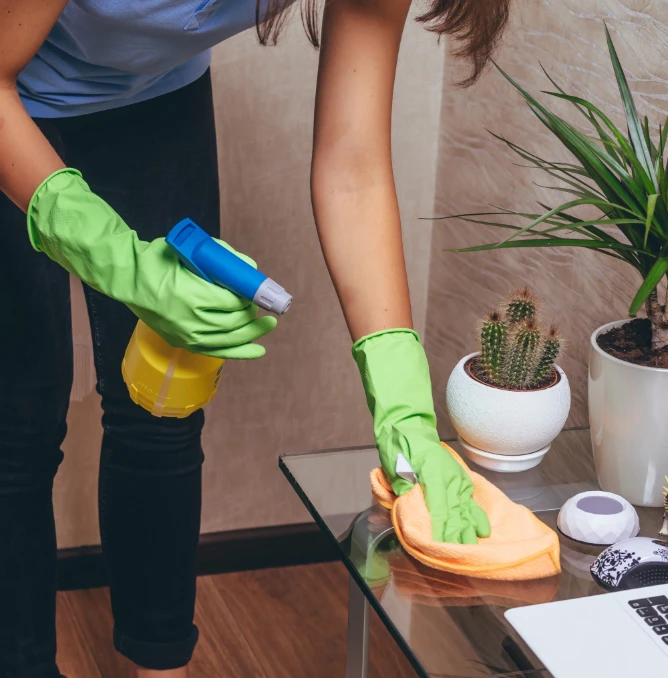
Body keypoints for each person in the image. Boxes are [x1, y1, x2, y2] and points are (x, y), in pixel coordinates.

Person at [0, 0, 509, 676]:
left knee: (164, 407)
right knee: (17, 428)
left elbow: (353, 168)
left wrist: (402, 401)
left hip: (155, 96)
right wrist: (110, 251)